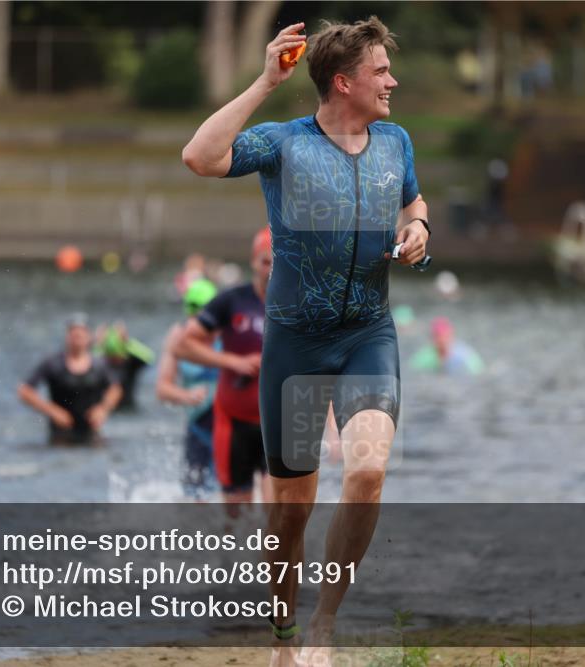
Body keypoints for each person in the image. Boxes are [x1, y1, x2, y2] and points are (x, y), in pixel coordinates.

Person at [182, 16, 430, 666]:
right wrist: (266, 81)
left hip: (367, 334)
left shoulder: (395, 141)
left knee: (368, 473)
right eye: (381, 71)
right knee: (291, 512)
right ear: (344, 82)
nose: (392, 82)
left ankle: (325, 621)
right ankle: (283, 634)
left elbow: (414, 203)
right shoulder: (284, 143)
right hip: (295, 349)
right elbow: (200, 157)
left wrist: (419, 230)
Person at [174, 230, 272, 507]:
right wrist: (234, 362)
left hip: (280, 423)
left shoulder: (298, 304)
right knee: (236, 514)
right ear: (253, 261)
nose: (271, 270)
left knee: (280, 511)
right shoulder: (232, 301)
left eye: (278, 263)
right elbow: (183, 346)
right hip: (234, 421)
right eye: (265, 262)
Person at [155, 278, 221, 500]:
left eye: (203, 310)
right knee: (195, 495)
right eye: (193, 309)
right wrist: (186, 395)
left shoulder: (229, 335)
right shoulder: (178, 337)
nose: (197, 317)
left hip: (231, 424)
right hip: (198, 426)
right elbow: (162, 389)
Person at [18, 314, 122, 445]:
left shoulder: (100, 364)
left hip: (91, 432)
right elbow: (25, 391)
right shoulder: (53, 363)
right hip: (60, 433)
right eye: (73, 334)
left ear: (89, 337)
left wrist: (103, 409)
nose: (77, 338)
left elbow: (115, 389)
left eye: (81, 334)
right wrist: (52, 411)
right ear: (67, 336)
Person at [95, 322, 155, 411]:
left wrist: (128, 342)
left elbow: (149, 357)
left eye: (117, 355)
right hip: (105, 410)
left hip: (128, 408)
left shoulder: (131, 363)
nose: (115, 358)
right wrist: (97, 344)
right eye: (111, 356)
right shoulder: (99, 364)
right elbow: (84, 362)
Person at [410, 316, 484, 376]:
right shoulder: (425, 355)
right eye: (437, 337)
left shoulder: (464, 355)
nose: (441, 341)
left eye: (444, 337)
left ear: (451, 336)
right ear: (432, 339)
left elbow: (479, 372)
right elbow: (412, 370)